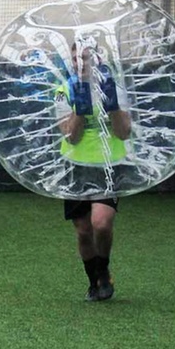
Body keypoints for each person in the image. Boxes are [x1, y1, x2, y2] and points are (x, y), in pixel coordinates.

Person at [55, 41, 132, 302]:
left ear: (96, 58)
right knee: (83, 230)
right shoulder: (63, 90)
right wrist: (80, 106)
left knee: (101, 222)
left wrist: (113, 107)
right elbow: (71, 136)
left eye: (86, 57)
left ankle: (103, 269)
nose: (81, 62)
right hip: (76, 166)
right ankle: (94, 281)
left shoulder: (114, 87)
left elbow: (124, 132)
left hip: (108, 163)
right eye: (76, 57)